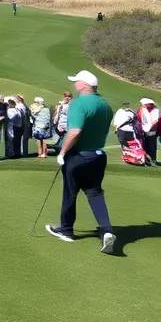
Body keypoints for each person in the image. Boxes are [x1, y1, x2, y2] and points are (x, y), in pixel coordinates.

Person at [46, 70, 116, 255]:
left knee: (70, 192)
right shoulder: (105, 105)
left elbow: (75, 131)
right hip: (98, 156)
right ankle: (106, 230)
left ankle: (66, 230)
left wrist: (62, 152)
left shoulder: (78, 103)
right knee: (95, 193)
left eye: (77, 81)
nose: (75, 84)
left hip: (78, 155)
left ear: (84, 84)